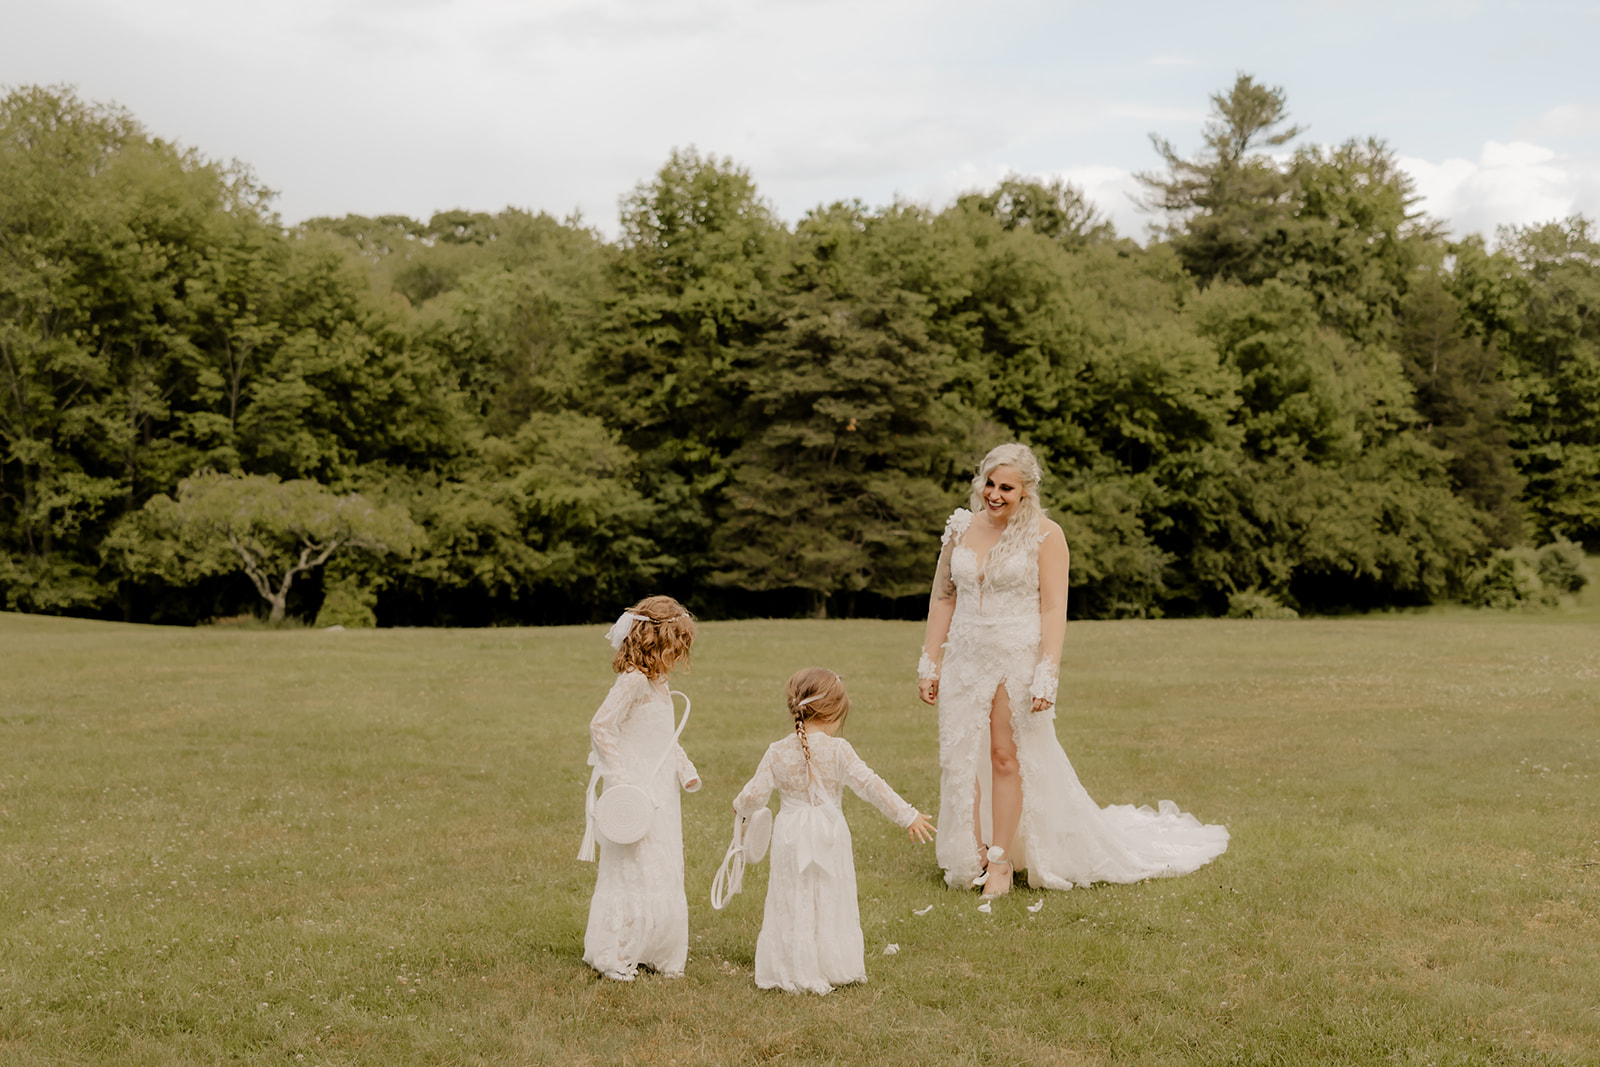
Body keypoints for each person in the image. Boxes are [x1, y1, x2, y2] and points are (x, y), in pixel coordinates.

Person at [918, 443, 1228, 898]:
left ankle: (1001, 863)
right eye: (990, 483)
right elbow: (944, 597)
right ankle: (973, 854)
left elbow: (1053, 609)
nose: (995, 494)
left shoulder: (1045, 535)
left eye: (1007, 487)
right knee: (961, 759)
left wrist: (1047, 672)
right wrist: (930, 662)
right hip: (965, 656)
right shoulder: (959, 530)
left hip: (1014, 656)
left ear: (1026, 492)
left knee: (1006, 756)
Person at [732, 667, 936, 994]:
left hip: (791, 836)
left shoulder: (777, 751)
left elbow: (755, 795)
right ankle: (832, 964)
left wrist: (740, 806)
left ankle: (792, 962)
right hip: (829, 834)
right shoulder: (839, 750)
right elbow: (871, 786)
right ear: (834, 712)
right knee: (830, 895)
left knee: (792, 895)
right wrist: (908, 815)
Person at [579, 595, 702, 981]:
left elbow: (666, 736)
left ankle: (656, 949)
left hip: (662, 791)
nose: (680, 655)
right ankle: (616, 952)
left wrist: (685, 770)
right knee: (633, 867)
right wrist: (623, 781)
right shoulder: (633, 681)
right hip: (635, 792)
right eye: (676, 646)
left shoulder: (659, 683)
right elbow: (601, 727)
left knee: (662, 865)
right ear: (654, 640)